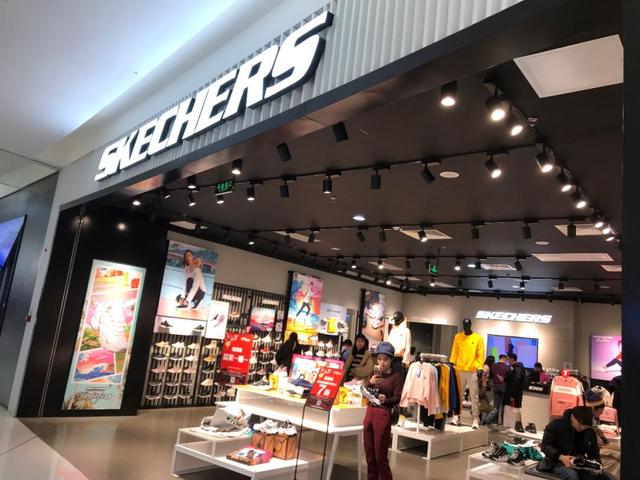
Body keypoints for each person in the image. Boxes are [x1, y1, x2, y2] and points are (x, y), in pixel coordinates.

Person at [363, 342, 404, 480]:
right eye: (379, 358)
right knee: (369, 456)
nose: (382, 362)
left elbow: (398, 397)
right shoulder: (373, 374)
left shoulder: (396, 377)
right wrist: (370, 383)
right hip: (369, 412)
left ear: (391, 360)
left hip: (383, 414)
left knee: (380, 457)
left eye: (386, 359)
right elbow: (364, 391)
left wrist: (386, 399)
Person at [540, 406, 615, 480]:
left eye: (586, 426)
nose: (582, 428)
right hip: (556, 462)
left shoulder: (589, 431)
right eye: (580, 424)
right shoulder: (556, 425)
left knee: (609, 477)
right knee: (572, 475)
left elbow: (594, 452)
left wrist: (597, 465)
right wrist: (561, 457)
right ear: (573, 417)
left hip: (579, 463)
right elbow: (545, 446)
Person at [491, 354, 510, 424]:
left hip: (495, 387)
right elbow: (509, 378)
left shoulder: (493, 366)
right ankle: (502, 422)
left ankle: (494, 421)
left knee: (496, 405)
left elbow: (491, 376)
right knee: (503, 406)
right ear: (504, 359)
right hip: (504, 388)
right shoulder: (507, 367)